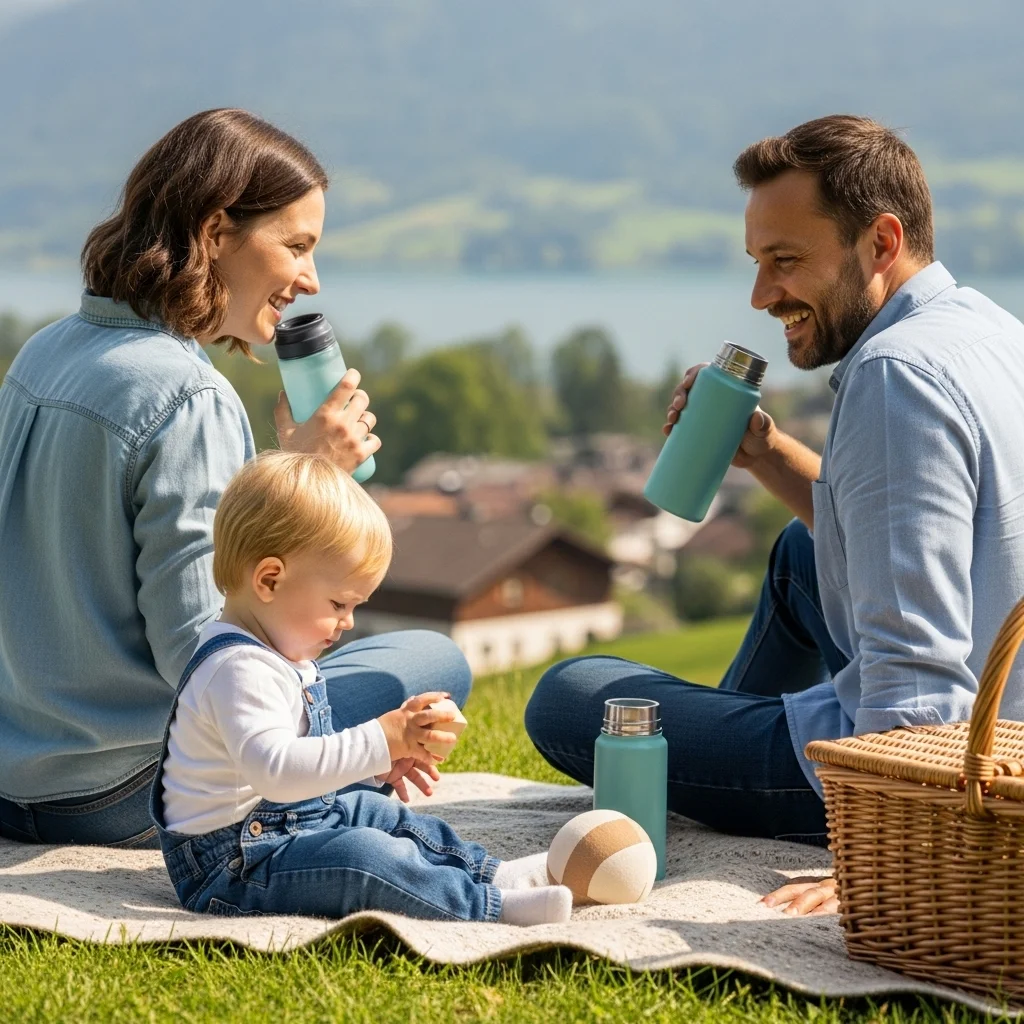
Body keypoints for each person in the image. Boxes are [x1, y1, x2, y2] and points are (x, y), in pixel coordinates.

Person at [525, 114, 1024, 915]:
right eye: (758, 264)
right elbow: (915, 534)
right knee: (802, 551)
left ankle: (729, 776)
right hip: (1008, 712)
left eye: (786, 262)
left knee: (570, 695)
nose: (762, 297)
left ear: (881, 244)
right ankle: (715, 755)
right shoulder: (987, 329)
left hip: (944, 761)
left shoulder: (897, 377)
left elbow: (918, 663)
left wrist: (885, 852)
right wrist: (763, 452)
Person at [0, 109, 470, 848]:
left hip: (15, 774)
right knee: (433, 662)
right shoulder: (188, 396)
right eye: (296, 246)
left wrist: (286, 478)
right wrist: (311, 478)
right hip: (121, 789)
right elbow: (207, 653)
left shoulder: (44, 352)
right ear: (216, 233)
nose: (309, 278)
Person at [152, 450, 571, 925]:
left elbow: (300, 762)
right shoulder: (238, 669)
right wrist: (380, 738)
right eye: (338, 603)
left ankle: (490, 874)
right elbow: (276, 772)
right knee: (364, 858)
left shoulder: (278, 650)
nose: (347, 624)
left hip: (285, 822)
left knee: (382, 816)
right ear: (269, 579)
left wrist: (379, 767)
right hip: (234, 865)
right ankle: (486, 908)